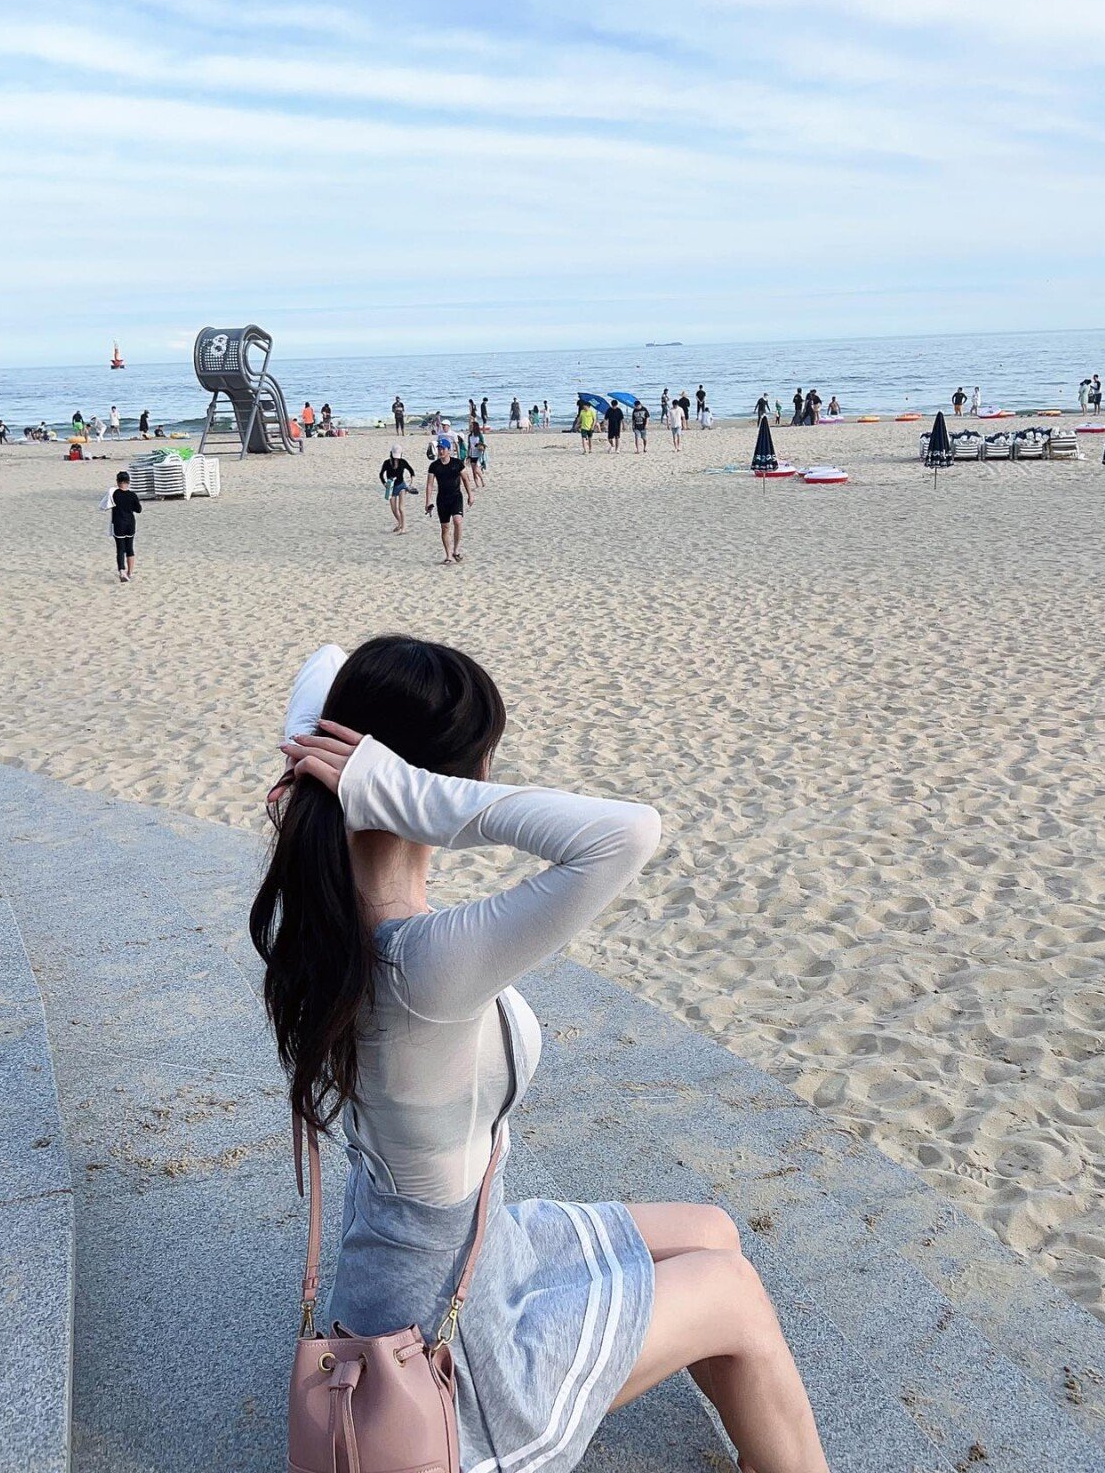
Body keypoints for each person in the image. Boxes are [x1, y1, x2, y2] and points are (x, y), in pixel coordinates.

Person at [257, 637, 831, 1473]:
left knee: (713, 1231)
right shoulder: (422, 964)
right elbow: (628, 833)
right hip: (451, 1353)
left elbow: (323, 660)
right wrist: (423, 795)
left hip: (459, 1256)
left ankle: (761, 1437)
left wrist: (370, 768)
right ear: (453, 782)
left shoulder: (335, 909)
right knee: (735, 1294)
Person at [424, 441, 475, 564]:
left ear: (449, 450)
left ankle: (456, 550)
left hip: (456, 497)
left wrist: (470, 495)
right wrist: (427, 502)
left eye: (443, 448)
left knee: (457, 521)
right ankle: (448, 555)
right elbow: (429, 485)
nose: (441, 451)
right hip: (442, 499)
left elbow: (465, 479)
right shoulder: (434, 466)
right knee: (445, 527)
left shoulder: (457, 463)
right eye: (439, 448)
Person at [104, 470, 142, 583]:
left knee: (120, 549)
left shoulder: (114, 494)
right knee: (129, 547)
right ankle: (130, 572)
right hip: (130, 523)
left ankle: (122, 571)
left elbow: (105, 504)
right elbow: (139, 510)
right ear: (128, 482)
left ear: (117, 482)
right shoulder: (132, 495)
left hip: (118, 524)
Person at [379, 444, 415, 535]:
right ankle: (400, 523)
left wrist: (410, 484)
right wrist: (384, 484)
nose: (396, 459)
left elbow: (411, 471)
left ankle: (404, 527)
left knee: (401, 508)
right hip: (390, 487)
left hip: (401, 486)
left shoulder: (403, 462)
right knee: (394, 509)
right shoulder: (387, 463)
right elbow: (381, 474)